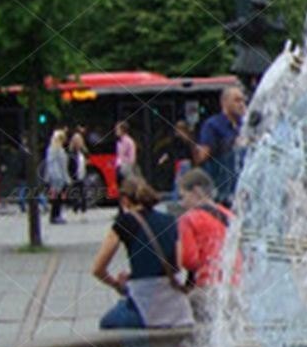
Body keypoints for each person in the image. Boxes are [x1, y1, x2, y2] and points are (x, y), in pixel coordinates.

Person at [91, 176, 193, 330]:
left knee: (108, 322)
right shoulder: (170, 220)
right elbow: (177, 264)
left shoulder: (123, 223)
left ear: (125, 200)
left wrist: (117, 285)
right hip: (175, 308)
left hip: (144, 304)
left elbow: (98, 269)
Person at [175, 168, 235, 320]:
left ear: (196, 192)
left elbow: (190, 260)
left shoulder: (189, 219)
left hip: (208, 288)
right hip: (235, 288)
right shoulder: (230, 216)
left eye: (183, 197)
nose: (181, 203)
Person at [194, 85, 248, 204]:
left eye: (243, 100)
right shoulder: (213, 125)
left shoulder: (244, 125)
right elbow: (203, 155)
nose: (241, 104)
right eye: (237, 100)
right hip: (222, 185)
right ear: (224, 102)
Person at [43, 130, 70, 225]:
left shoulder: (50, 150)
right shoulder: (60, 151)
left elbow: (48, 165)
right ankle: (57, 216)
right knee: (59, 198)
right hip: (59, 178)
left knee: (54, 198)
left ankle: (53, 216)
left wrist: (46, 178)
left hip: (52, 178)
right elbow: (63, 167)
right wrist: (67, 179)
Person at [67, 130, 89, 215]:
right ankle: (75, 208)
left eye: (79, 141)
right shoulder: (71, 153)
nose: (77, 143)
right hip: (75, 175)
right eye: (75, 141)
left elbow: (87, 159)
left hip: (83, 174)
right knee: (75, 193)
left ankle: (83, 209)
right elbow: (69, 165)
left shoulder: (84, 151)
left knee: (83, 193)